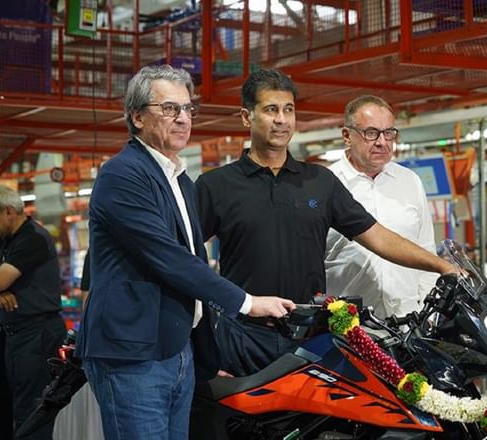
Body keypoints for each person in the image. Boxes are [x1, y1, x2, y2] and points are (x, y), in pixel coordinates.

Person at [75, 65, 295, 440]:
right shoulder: (122, 174)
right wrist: (245, 302)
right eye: (169, 109)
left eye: (188, 108)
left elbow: (192, 257)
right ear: (137, 117)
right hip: (135, 355)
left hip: (178, 350)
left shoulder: (180, 179)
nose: (182, 118)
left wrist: (205, 352)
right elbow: (167, 257)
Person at [195, 69, 457, 376]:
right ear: (246, 117)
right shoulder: (216, 186)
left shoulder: (320, 181)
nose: (281, 120)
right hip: (242, 336)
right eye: (271, 110)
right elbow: (184, 259)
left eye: (288, 110)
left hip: (311, 338)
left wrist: (443, 267)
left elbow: (378, 237)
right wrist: (204, 346)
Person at [323, 95, 438, 318]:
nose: (382, 142)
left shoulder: (409, 181)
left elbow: (426, 248)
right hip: (347, 322)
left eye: (389, 133)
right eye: (371, 133)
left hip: (407, 320)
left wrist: (427, 312)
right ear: (347, 136)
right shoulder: (326, 183)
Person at [0, 184, 67, 440]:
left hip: (37, 334)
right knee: (8, 404)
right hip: (13, 334)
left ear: (8, 211)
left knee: (32, 409)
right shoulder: (4, 239)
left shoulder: (32, 238)